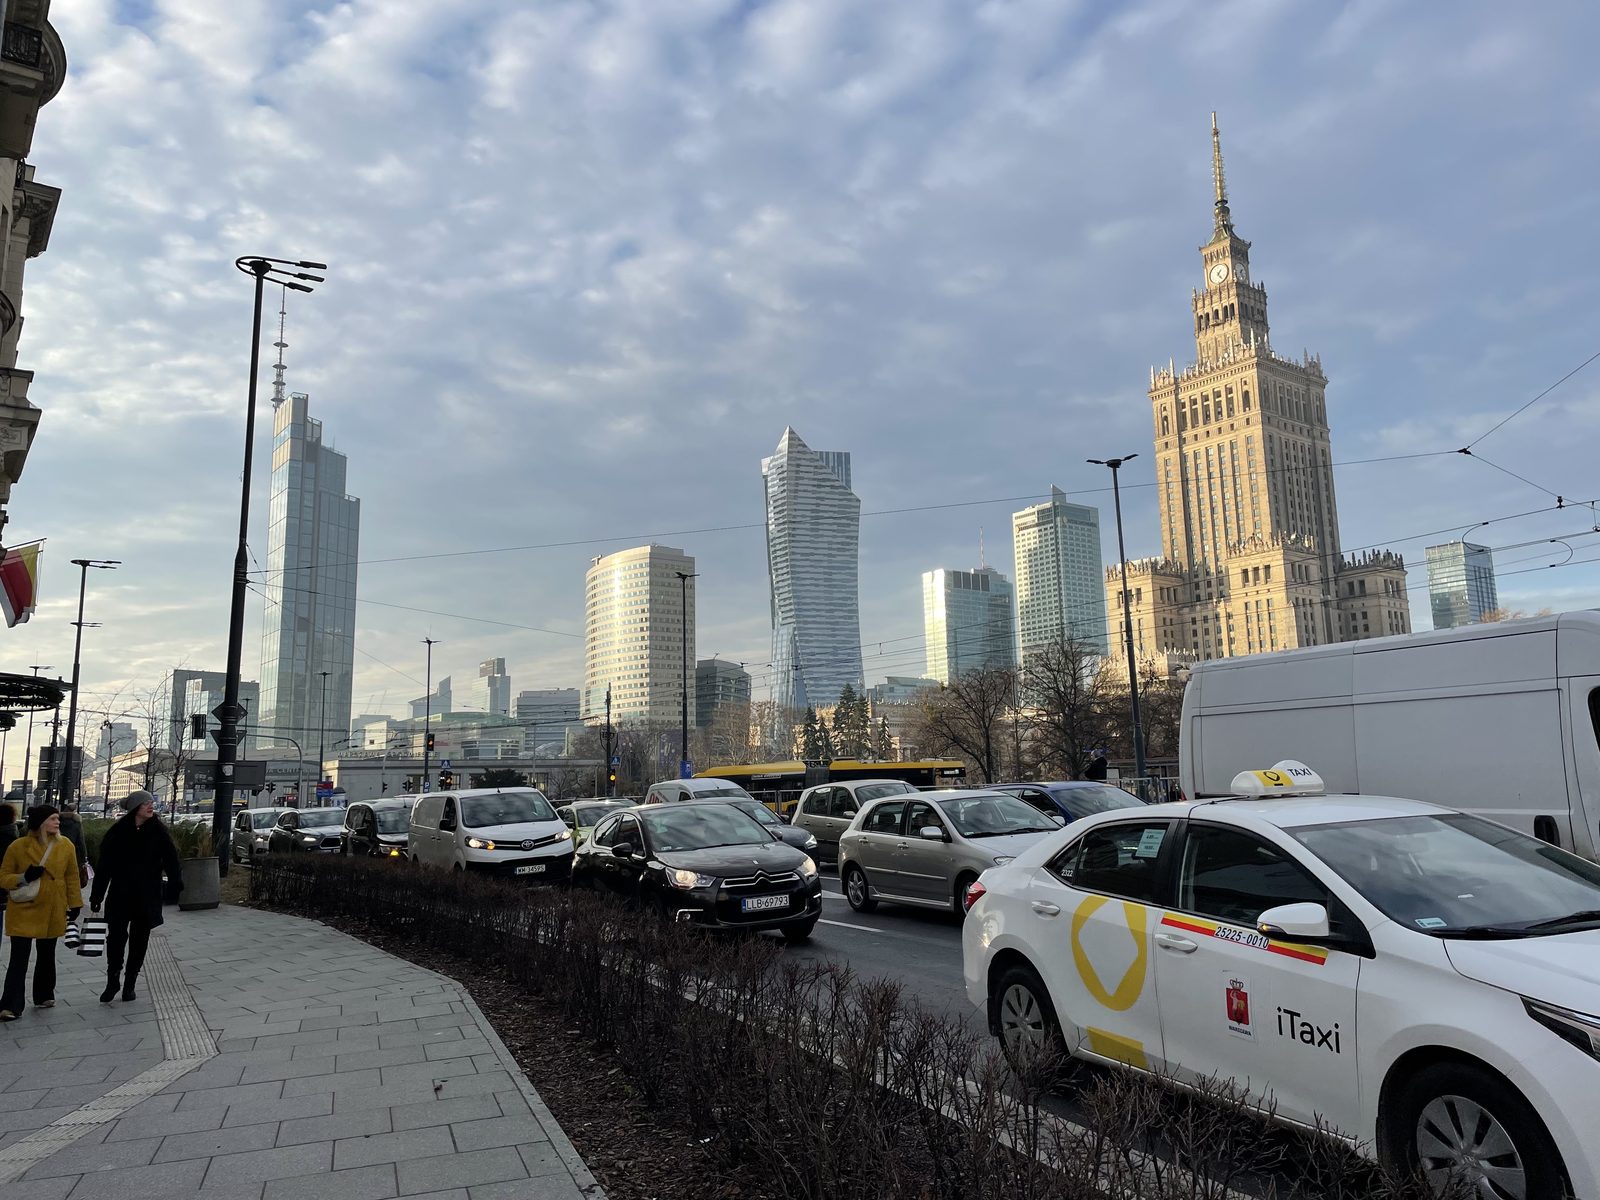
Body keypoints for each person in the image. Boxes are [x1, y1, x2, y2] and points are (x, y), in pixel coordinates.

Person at [89, 790, 181, 1004]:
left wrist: (176, 884)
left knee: (140, 940)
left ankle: (130, 983)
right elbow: (104, 867)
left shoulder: (158, 832)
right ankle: (113, 980)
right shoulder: (117, 832)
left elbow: (172, 860)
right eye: (145, 803)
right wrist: (97, 895)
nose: (150, 806)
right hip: (120, 894)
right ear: (134, 808)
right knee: (115, 939)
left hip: (147, 895)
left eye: (151, 802)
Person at [0, 805, 83, 1019]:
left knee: (47, 953)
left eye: (57, 818)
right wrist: (24, 877)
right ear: (40, 822)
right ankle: (10, 1005)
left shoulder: (65, 845)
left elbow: (72, 876)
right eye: (53, 819)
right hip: (24, 908)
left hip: (52, 906)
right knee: (19, 958)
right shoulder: (18, 846)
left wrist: (75, 903)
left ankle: (44, 994)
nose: (57, 822)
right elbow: (3, 877)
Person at [57, 800, 89, 890]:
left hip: (57, 852)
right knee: (70, 876)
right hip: (73, 854)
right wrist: (84, 858)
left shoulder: (58, 822)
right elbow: (81, 842)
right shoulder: (76, 824)